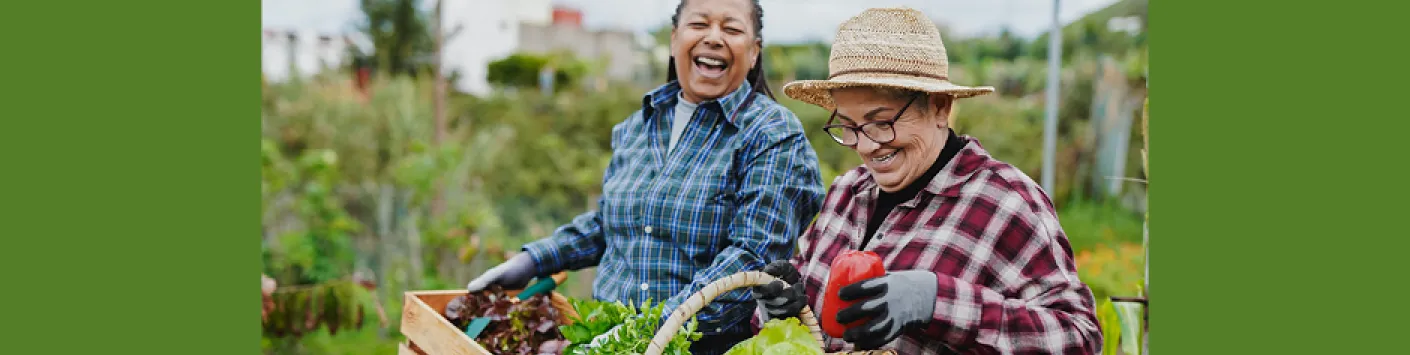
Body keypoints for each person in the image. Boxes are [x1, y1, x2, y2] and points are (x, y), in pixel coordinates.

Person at [465, 0, 826, 353]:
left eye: (731, 28)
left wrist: (637, 338)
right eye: (699, 24)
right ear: (674, 40)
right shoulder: (637, 126)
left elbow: (751, 258)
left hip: (698, 346)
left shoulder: (772, 133)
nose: (713, 38)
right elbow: (611, 224)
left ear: (753, 52)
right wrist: (533, 261)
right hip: (604, 336)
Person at [749, 7, 1103, 354]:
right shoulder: (846, 192)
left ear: (939, 107)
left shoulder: (1004, 200)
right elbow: (805, 321)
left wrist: (936, 301)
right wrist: (781, 310)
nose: (866, 146)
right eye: (849, 125)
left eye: (881, 122)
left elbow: (1079, 337)